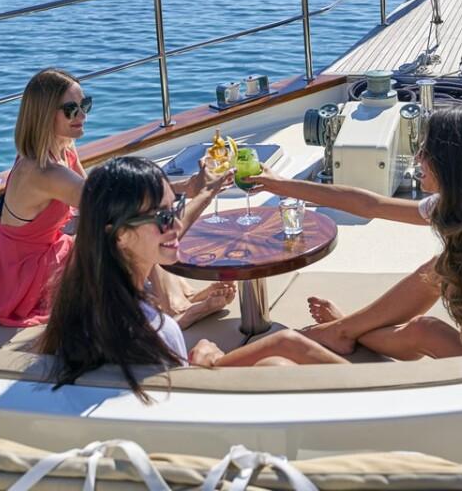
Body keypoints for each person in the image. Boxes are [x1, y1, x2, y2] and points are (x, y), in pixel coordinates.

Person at [251, 106, 462, 359]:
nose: (417, 157)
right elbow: (371, 205)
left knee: (426, 328)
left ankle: (347, 329)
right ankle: (347, 329)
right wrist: (283, 185)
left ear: (453, 164)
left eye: (427, 151)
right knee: (441, 269)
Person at [39, 157, 347, 400]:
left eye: (174, 209)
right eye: (162, 217)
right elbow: (184, 401)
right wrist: (201, 364)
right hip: (185, 416)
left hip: (146, 400)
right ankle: (385, 395)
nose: (174, 224)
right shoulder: (155, 328)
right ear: (120, 235)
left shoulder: (80, 301)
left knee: (285, 342)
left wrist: (205, 192)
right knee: (279, 363)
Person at [0, 68, 232, 327]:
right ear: (44, 114)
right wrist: (197, 191)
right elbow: (116, 206)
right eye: (71, 109)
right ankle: (174, 309)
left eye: (85, 105)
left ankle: (183, 295)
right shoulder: (44, 172)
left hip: (44, 251)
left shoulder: (62, 148)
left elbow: (108, 191)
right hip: (27, 276)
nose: (81, 115)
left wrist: (185, 187)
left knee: (133, 225)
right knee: (135, 230)